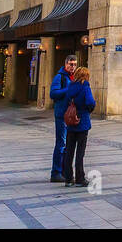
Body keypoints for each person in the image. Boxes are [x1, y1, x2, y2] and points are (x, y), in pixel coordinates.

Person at [62, 66, 96, 187]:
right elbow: (90, 102)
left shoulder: (70, 86)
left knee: (69, 150)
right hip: (82, 122)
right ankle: (80, 178)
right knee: (80, 152)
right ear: (85, 76)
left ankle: (68, 178)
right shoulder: (85, 86)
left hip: (71, 122)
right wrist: (88, 109)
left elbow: (66, 101)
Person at [48, 54, 78, 183]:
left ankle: (65, 172)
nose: (72, 67)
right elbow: (53, 93)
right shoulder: (59, 77)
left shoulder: (75, 77)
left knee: (68, 145)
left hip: (71, 115)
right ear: (65, 64)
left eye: (75, 64)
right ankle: (56, 172)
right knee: (61, 143)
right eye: (70, 64)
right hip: (61, 114)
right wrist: (68, 89)